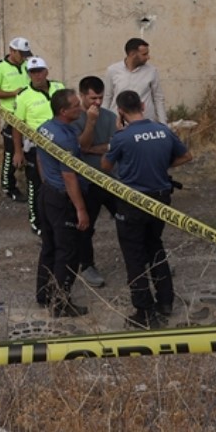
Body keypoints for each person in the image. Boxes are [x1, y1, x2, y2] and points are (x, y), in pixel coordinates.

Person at [103, 90, 192, 328]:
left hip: (132, 202)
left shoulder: (122, 137)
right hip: (160, 199)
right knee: (155, 248)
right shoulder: (163, 130)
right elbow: (186, 156)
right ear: (143, 105)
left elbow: (105, 165)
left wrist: (117, 134)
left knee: (134, 256)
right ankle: (165, 301)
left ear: (120, 111)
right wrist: (163, 164)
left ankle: (144, 311)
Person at [34, 89, 92, 317]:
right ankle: (60, 302)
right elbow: (69, 176)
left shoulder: (45, 129)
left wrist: (46, 183)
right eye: (76, 105)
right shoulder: (65, 139)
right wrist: (80, 209)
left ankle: (43, 294)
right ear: (63, 111)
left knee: (48, 246)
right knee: (67, 252)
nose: (81, 108)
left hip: (48, 193)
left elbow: (40, 158)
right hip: (62, 199)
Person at [72, 75, 120, 289]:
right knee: (85, 227)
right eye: (93, 98)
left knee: (129, 220)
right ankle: (87, 265)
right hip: (87, 182)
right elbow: (81, 146)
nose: (97, 103)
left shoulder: (110, 117)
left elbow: (116, 145)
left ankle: (147, 260)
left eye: (100, 98)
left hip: (112, 180)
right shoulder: (74, 119)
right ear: (82, 96)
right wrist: (90, 123)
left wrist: (95, 148)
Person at [12, 58, 64, 238]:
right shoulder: (23, 95)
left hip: (61, 144)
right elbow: (17, 125)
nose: (37, 75)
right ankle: (36, 221)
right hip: (36, 148)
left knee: (61, 183)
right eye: (32, 72)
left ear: (46, 71)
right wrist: (18, 152)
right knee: (36, 185)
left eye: (40, 71)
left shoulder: (59, 87)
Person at [0, 36, 33, 201]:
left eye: (25, 54)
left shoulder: (28, 65)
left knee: (30, 152)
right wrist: (13, 93)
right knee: (11, 153)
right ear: (12, 51)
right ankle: (8, 186)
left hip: (28, 116)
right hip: (11, 118)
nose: (24, 57)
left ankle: (31, 183)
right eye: (21, 53)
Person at [103, 37, 167, 122]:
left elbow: (158, 98)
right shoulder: (112, 71)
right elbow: (107, 97)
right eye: (144, 54)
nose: (148, 57)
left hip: (145, 122)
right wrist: (103, 121)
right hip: (119, 123)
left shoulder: (152, 71)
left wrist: (163, 124)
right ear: (132, 54)